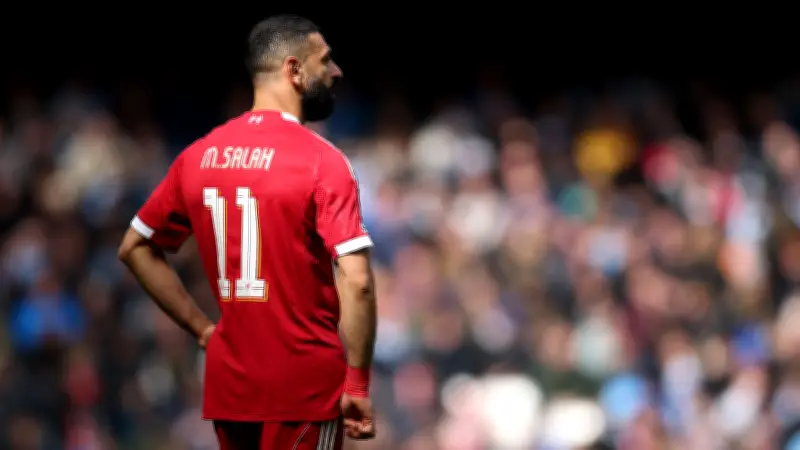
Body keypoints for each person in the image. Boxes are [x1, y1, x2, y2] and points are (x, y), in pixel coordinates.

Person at [117, 14, 377, 450]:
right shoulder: (322, 161)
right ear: (294, 70)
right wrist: (358, 384)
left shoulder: (199, 155)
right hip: (303, 386)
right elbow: (358, 281)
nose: (336, 71)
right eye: (325, 60)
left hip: (230, 386)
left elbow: (134, 246)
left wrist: (203, 329)